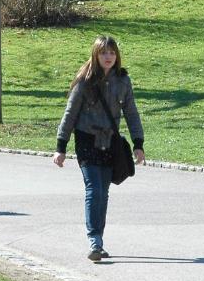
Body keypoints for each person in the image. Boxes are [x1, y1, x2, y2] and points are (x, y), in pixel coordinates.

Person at [53, 35, 145, 262]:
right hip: (87, 141)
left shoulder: (123, 81)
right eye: (104, 53)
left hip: (110, 142)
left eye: (112, 53)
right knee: (94, 190)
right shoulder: (85, 81)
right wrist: (60, 146)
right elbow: (70, 113)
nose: (108, 57)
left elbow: (131, 113)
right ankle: (95, 241)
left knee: (103, 193)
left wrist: (138, 143)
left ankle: (98, 240)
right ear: (96, 55)